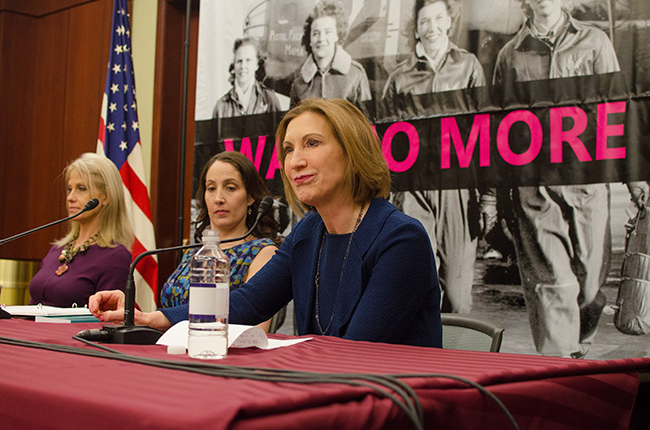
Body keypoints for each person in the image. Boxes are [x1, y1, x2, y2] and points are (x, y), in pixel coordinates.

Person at [90, 98, 442, 348]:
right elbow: (248, 302)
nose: (295, 161)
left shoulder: (400, 238)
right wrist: (156, 317)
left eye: (312, 143)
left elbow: (355, 350)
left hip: (396, 407)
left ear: (353, 152)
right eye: (288, 150)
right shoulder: (309, 232)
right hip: (329, 395)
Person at [492, 0, 620, 357]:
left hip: (587, 184)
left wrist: (635, 178)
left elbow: (616, 109)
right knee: (552, 283)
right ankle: (559, 368)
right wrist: (498, 193)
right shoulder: (510, 55)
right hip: (534, 187)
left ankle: (576, 346)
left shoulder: (595, 42)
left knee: (589, 285)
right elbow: (498, 126)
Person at [382, 0, 495, 313]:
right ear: (416, 29)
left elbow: (484, 133)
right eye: (423, 22)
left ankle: (451, 356)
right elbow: (382, 142)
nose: (430, 28)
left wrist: (488, 196)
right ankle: (424, 359)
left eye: (437, 19)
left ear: (449, 22)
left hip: (458, 188)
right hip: (413, 190)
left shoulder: (469, 66)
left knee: (458, 296)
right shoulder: (400, 78)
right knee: (420, 284)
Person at [158, 151, 280, 332]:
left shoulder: (263, 252)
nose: (218, 199)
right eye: (211, 188)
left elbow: (257, 331)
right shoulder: (195, 253)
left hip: (220, 354)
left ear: (250, 197)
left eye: (230, 188)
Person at [28, 153, 133, 308]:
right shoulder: (57, 250)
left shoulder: (115, 257)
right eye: (69, 189)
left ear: (106, 197)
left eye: (81, 189)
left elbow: (106, 321)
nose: (70, 197)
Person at [289, 0, 371, 106]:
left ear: (337, 35)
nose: (321, 39)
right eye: (315, 33)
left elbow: (366, 120)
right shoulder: (299, 82)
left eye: (328, 32)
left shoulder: (356, 75)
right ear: (309, 40)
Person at [212, 37, 281, 118]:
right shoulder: (221, 107)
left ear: (257, 65)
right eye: (239, 61)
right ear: (234, 66)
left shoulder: (270, 100)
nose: (243, 66)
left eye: (248, 60)